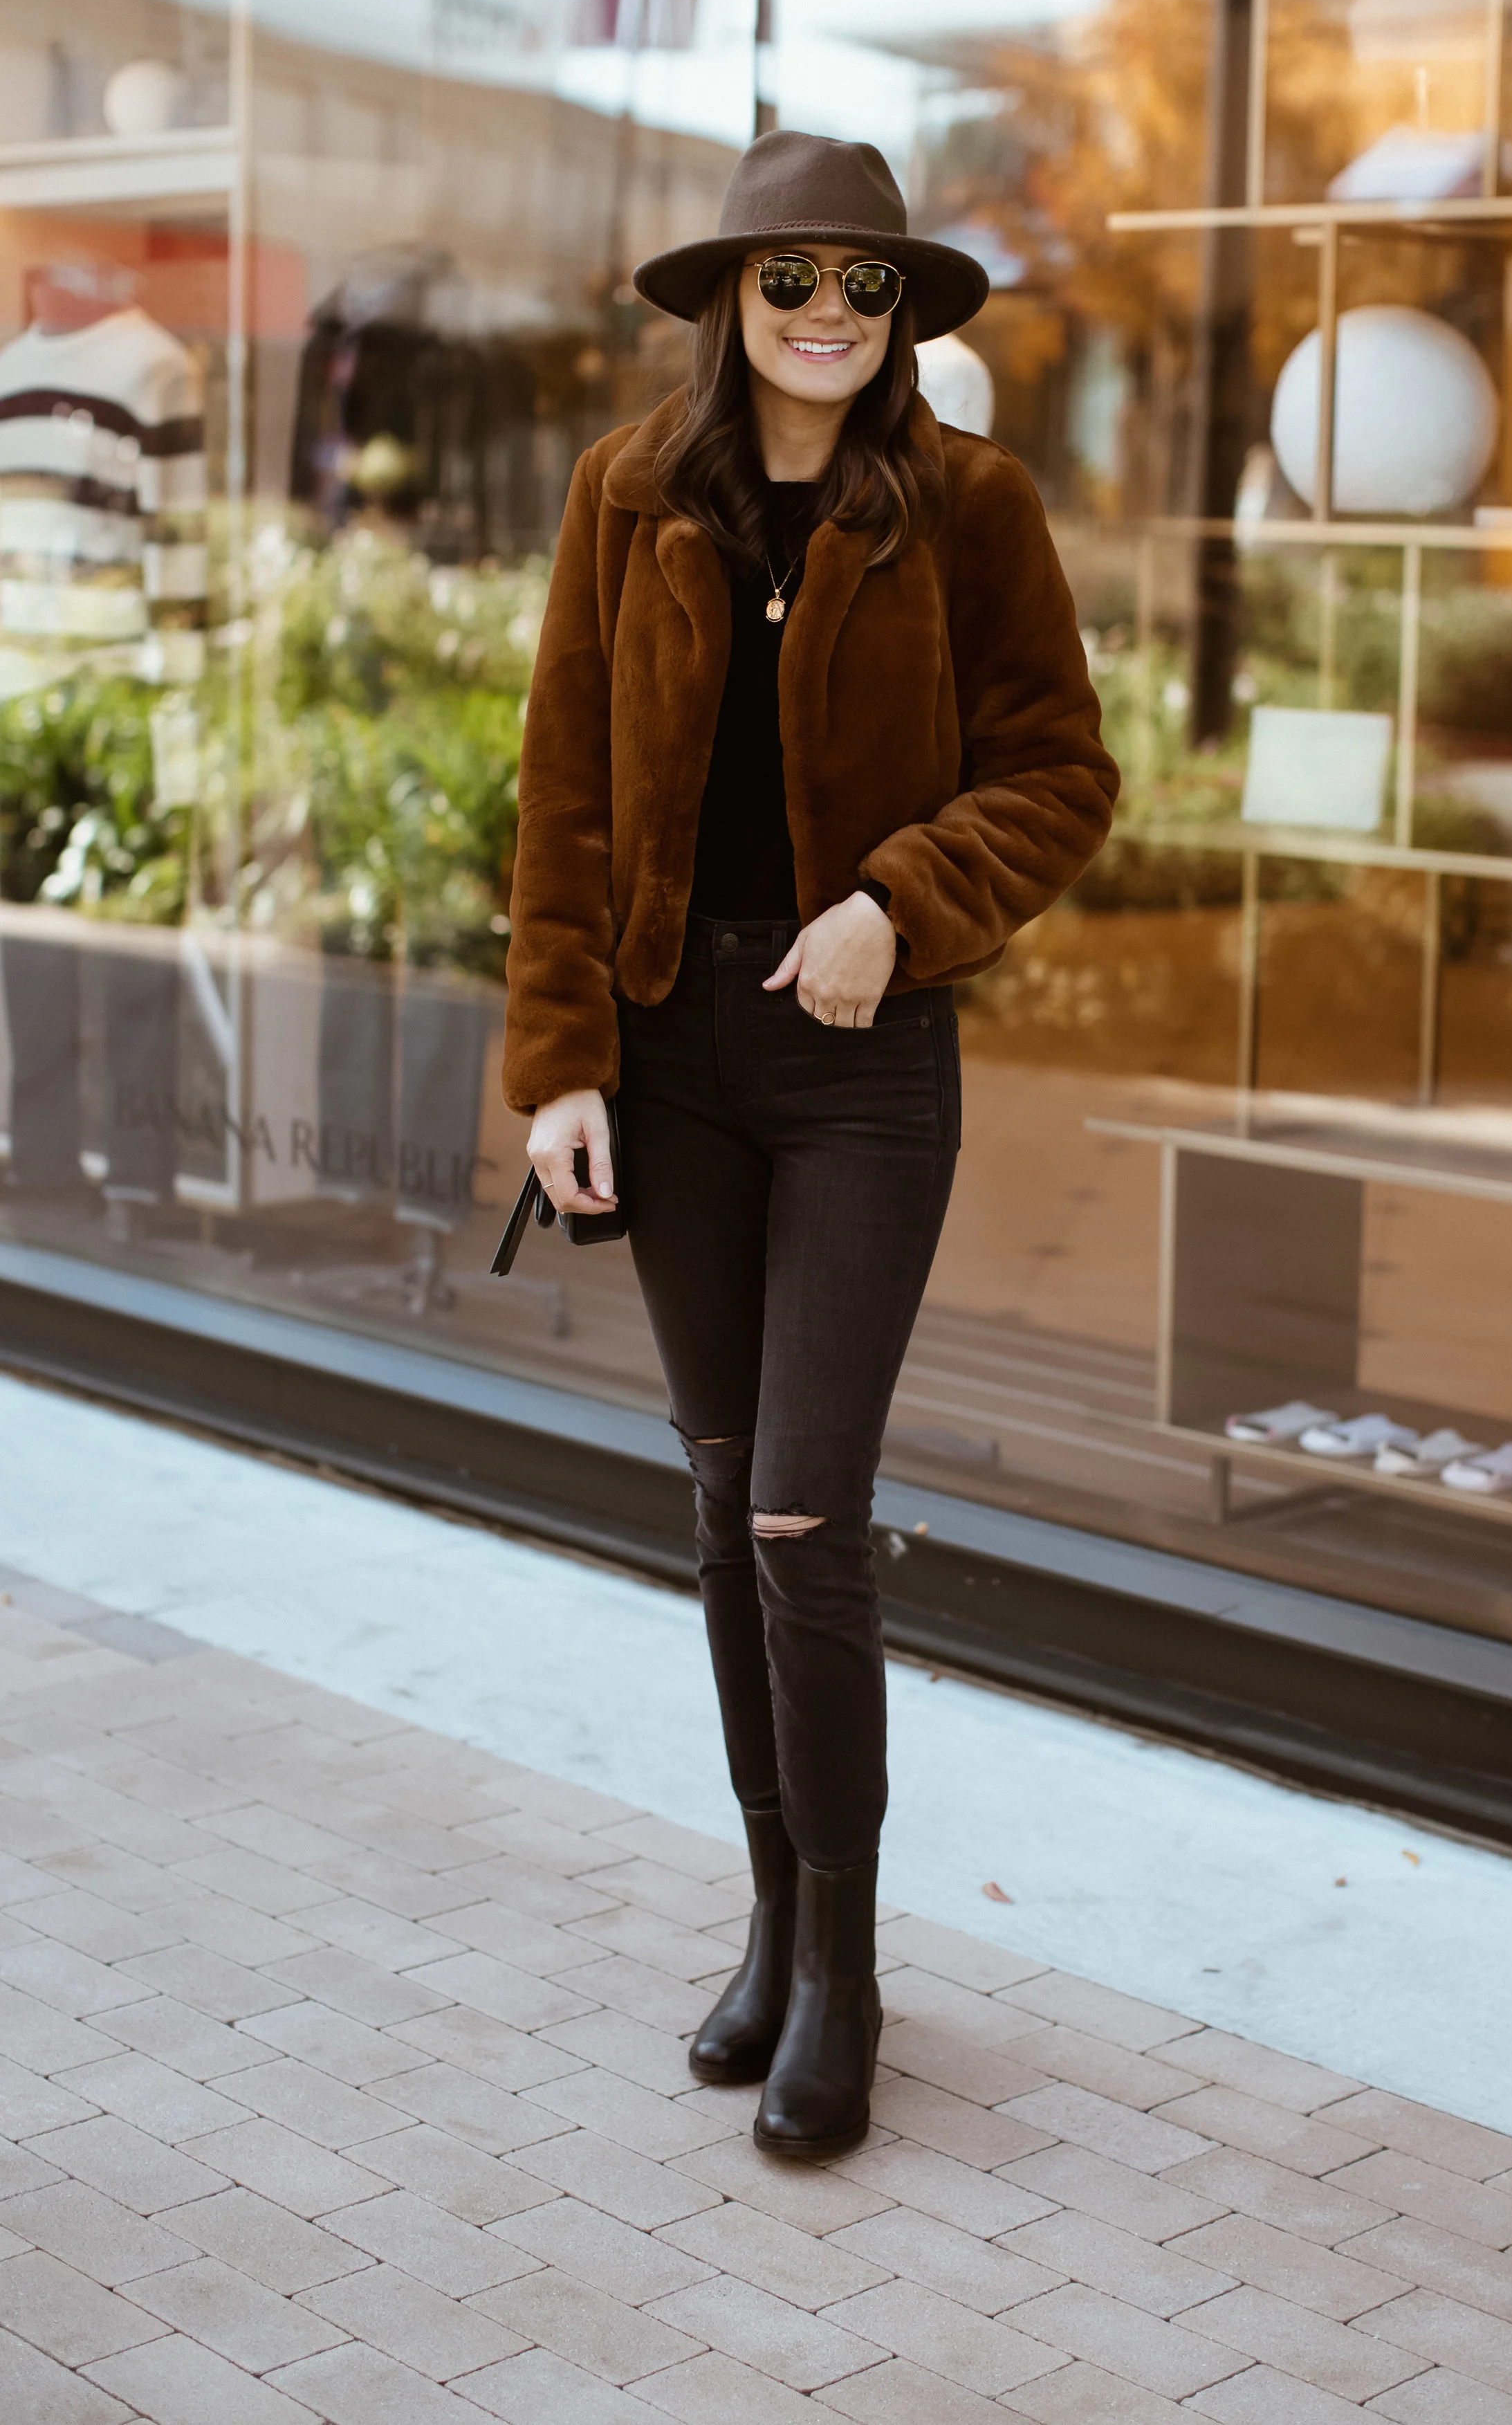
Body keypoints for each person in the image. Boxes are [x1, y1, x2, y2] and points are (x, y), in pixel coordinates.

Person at [504, 130, 1118, 2157]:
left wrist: (898, 902)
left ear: (902, 308)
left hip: (861, 1065)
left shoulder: (967, 508)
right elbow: (567, 800)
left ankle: (849, 1972)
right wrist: (559, 1064)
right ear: (726, 303)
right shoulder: (627, 495)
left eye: (866, 286)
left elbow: (1058, 772)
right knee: (710, 1493)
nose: (831, 319)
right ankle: (770, 1926)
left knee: (799, 1513)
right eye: (793, 284)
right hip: (673, 1062)